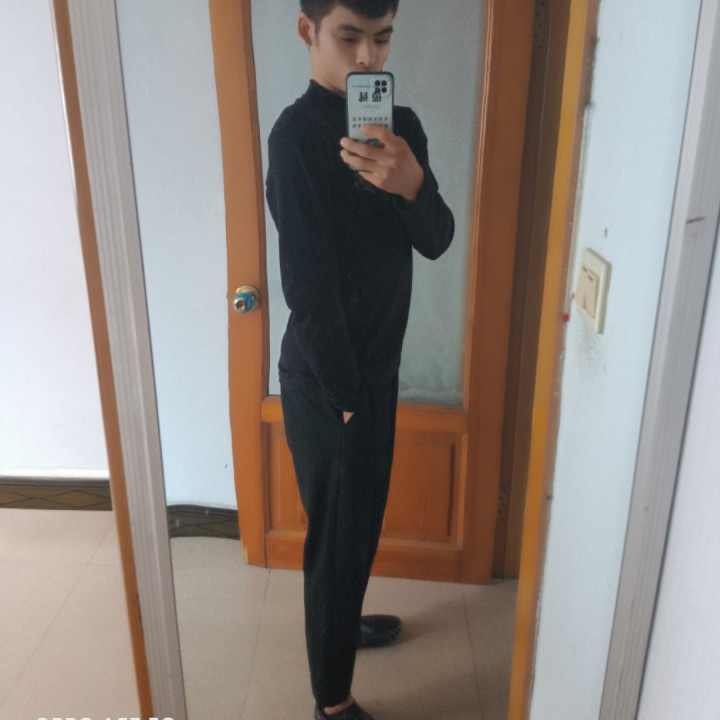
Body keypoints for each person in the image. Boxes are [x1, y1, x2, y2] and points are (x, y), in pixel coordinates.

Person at [265, 1, 454, 718]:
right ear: (307, 31)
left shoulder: (401, 129)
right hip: (329, 379)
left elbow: (436, 239)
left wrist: (412, 186)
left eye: (382, 38)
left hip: (375, 371)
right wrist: (346, 394)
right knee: (338, 542)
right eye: (350, 36)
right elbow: (307, 285)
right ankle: (333, 700)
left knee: (358, 524)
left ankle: (342, 628)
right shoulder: (295, 138)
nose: (369, 57)